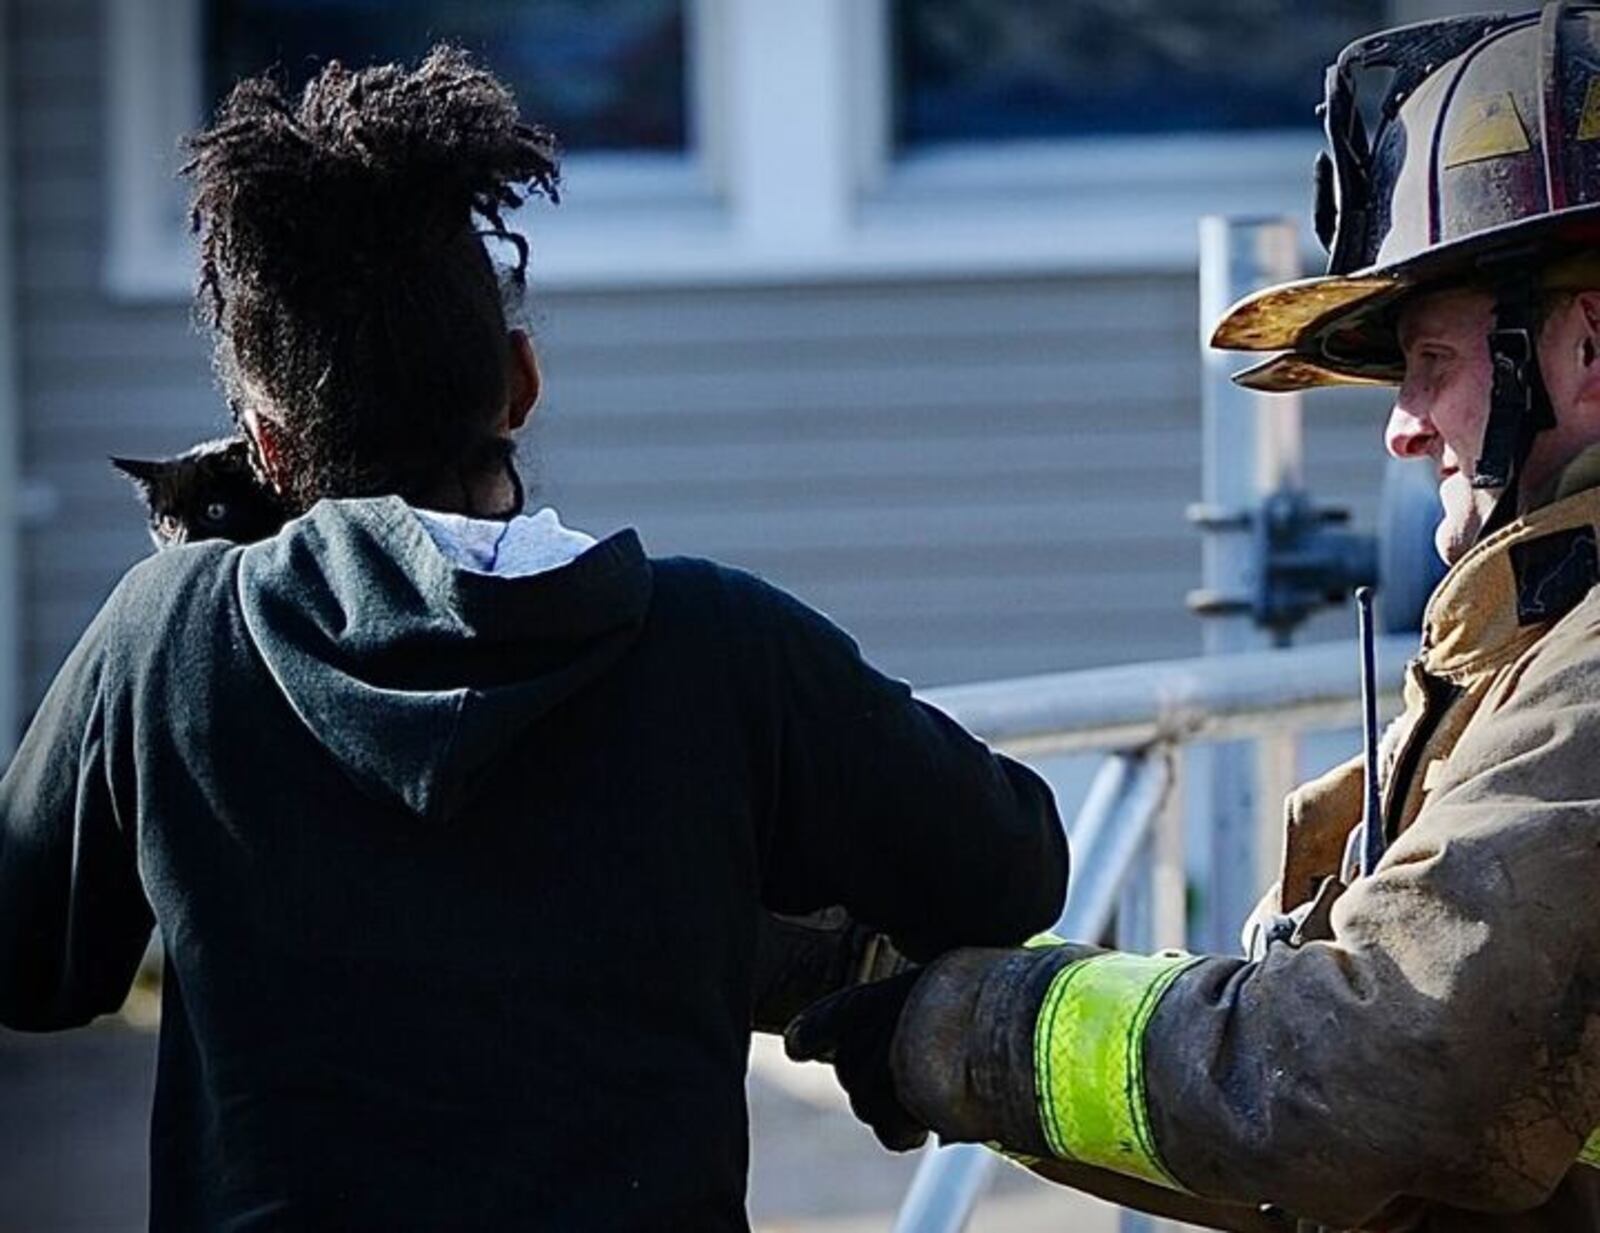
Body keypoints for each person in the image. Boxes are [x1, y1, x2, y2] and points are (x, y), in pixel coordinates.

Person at [0, 48, 1068, 1231]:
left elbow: (27, 956)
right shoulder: (723, 646)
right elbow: (1008, 866)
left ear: (265, 446)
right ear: (520, 381)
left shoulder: (170, 635)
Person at [786, 6, 1600, 1230]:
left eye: (1428, 359)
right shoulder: (1533, 642)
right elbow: (1307, 1122)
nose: (1401, 423)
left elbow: (1347, 1081)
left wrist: (952, 1024)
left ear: (1586, 348)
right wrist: (885, 982)